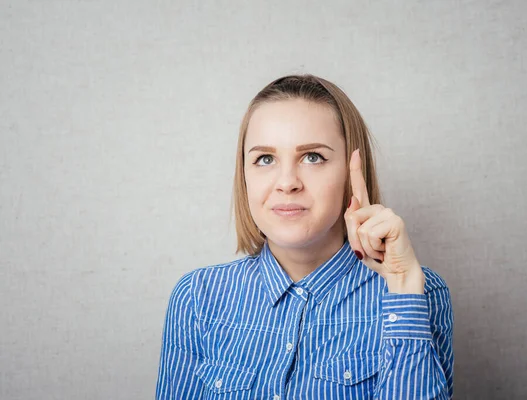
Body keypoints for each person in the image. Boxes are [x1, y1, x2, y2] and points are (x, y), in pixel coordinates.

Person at [155, 74, 454, 399]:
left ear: (352, 173)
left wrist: (403, 287)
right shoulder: (197, 299)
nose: (287, 182)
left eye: (313, 157)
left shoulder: (420, 294)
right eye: (265, 159)